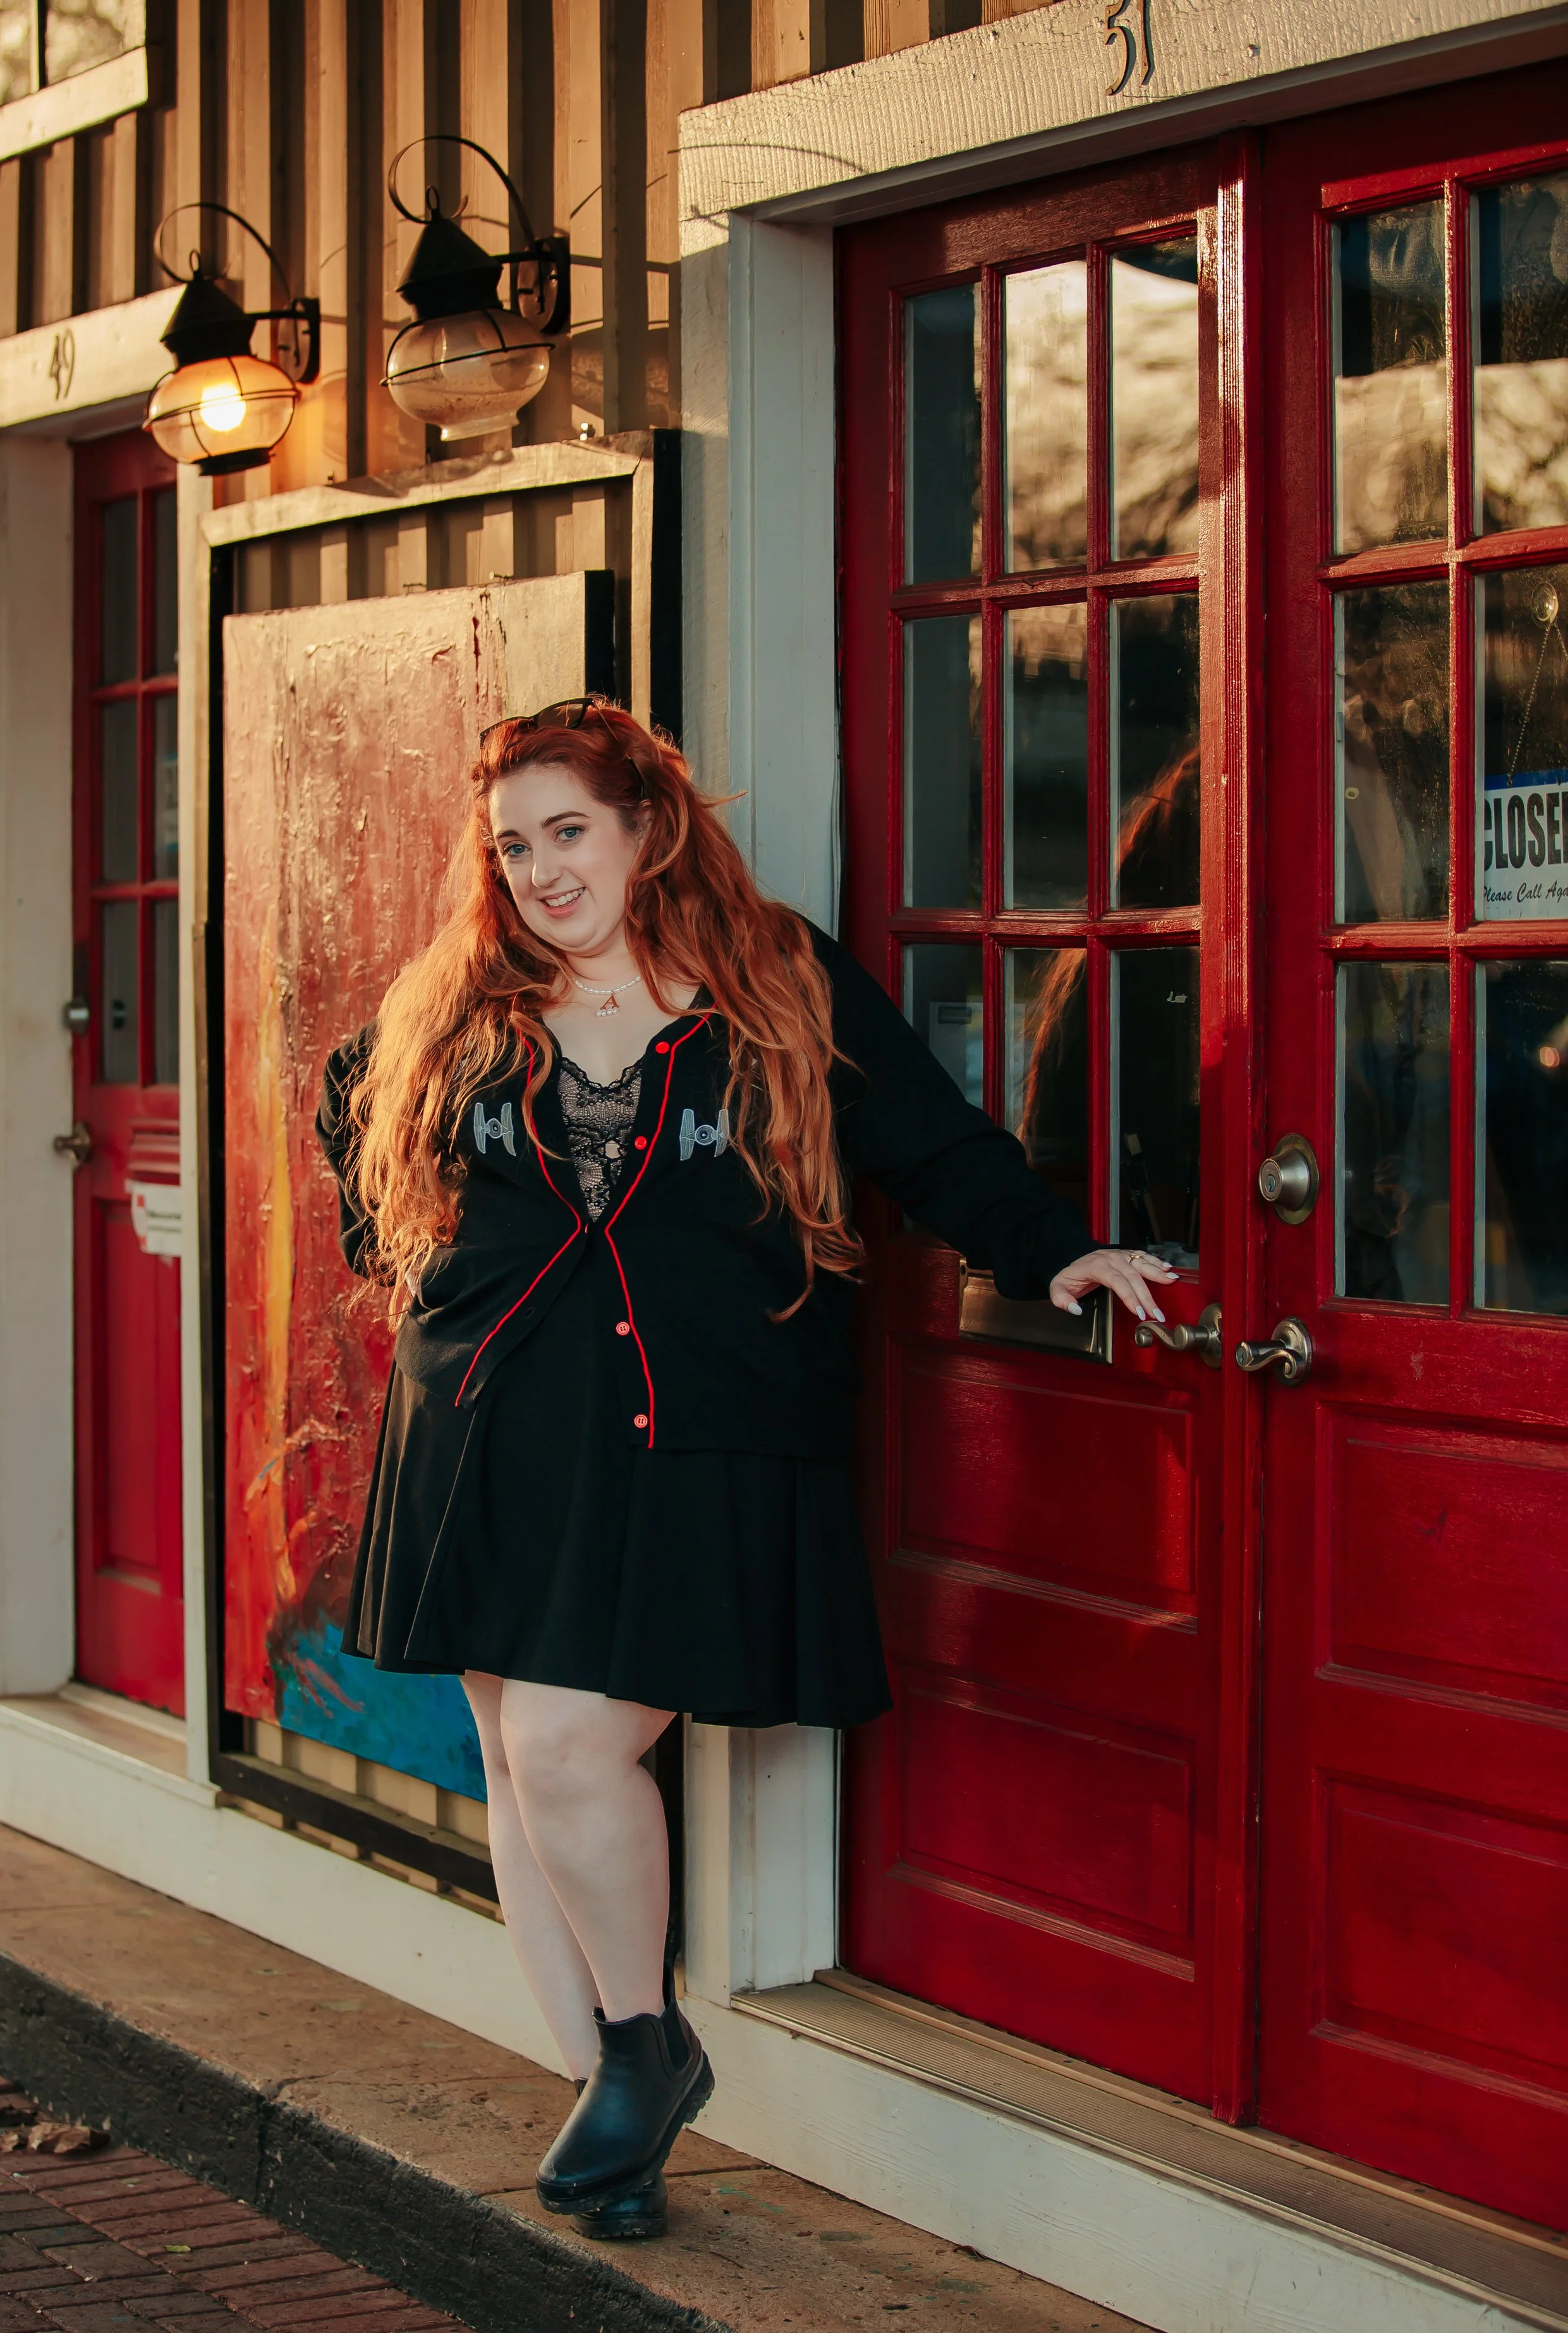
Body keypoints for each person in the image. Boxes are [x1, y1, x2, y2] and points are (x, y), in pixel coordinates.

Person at [316, 698, 1174, 2241]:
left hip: (694, 1429)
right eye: (511, 846)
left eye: (566, 831)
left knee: (577, 1750)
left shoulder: (768, 974)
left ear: (647, 827)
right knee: (515, 1757)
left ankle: (645, 2052)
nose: (537, 871)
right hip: (490, 1426)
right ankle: (610, 2107)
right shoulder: (468, 988)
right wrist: (418, 1267)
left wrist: (1054, 1253)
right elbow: (349, 1104)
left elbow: (928, 1138)